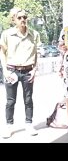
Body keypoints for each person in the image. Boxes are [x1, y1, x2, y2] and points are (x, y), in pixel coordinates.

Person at [0, 8, 41, 138]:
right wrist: (5, 71)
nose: (23, 20)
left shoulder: (34, 34)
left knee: (28, 100)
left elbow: (37, 54)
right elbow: (2, 53)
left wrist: (35, 70)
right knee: (10, 101)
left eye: (25, 17)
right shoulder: (7, 34)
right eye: (19, 18)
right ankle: (9, 126)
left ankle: (29, 124)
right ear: (13, 20)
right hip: (12, 70)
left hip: (28, 71)